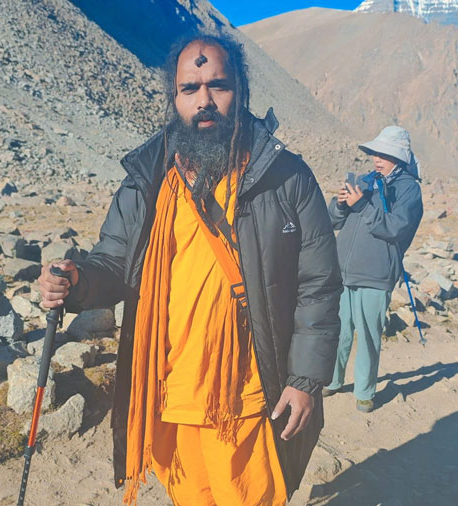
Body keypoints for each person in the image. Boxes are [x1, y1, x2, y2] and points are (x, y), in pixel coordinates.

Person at [37, 33, 343, 505]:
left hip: (247, 392)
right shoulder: (151, 177)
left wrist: (304, 380)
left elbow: (318, 287)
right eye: (190, 88)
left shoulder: (286, 177)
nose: (204, 101)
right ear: (173, 97)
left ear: (239, 90)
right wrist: (77, 281)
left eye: (217, 85)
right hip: (169, 389)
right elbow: (115, 260)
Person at [323, 126, 423, 413]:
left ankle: (365, 392)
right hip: (343, 270)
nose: (377, 159)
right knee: (338, 330)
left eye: (385, 154)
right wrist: (341, 205)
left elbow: (396, 228)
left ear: (400, 158)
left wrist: (363, 205)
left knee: (367, 335)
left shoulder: (409, 190)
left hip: (377, 274)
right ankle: (332, 380)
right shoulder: (366, 180)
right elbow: (333, 219)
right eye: (376, 153)